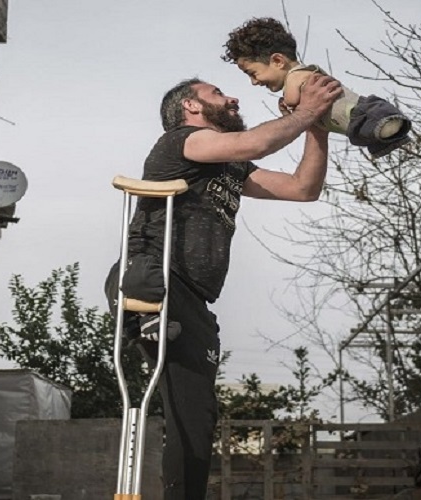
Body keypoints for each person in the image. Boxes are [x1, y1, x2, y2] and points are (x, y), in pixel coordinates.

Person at [104, 73, 340, 500]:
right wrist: (307, 110)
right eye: (217, 93)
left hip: (193, 299)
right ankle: (143, 319)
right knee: (187, 408)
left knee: (196, 416)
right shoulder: (182, 141)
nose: (232, 98)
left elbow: (303, 188)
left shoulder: (231, 165)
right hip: (156, 274)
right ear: (191, 106)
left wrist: (317, 128)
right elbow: (255, 143)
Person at [222, 17, 412, 159]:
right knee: (373, 133)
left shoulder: (297, 75)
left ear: (278, 61)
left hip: (360, 113)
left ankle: (389, 126)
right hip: (356, 123)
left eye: (252, 73)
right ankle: (391, 133)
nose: (254, 82)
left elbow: (292, 101)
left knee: (370, 121)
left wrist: (288, 110)